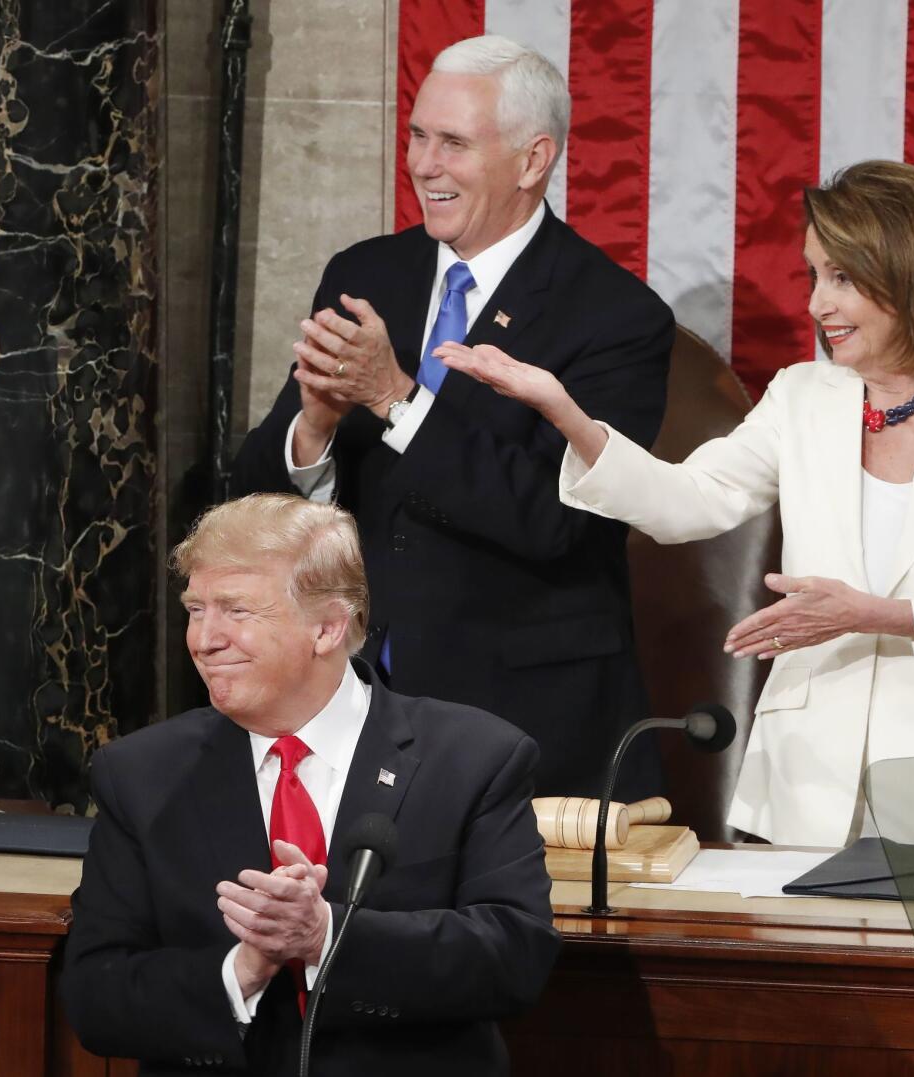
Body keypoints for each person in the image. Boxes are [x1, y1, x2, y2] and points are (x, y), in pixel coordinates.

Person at [435, 160, 914, 848]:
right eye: (815, 276)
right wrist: (565, 412)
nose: (817, 305)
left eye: (842, 277)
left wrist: (877, 615)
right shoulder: (803, 396)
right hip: (811, 788)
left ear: (911, 273)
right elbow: (688, 501)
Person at [229, 35, 673, 803]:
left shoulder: (617, 318)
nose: (425, 165)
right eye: (417, 137)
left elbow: (554, 519)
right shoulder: (366, 274)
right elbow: (256, 497)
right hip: (352, 697)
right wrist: (314, 429)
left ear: (534, 161)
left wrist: (397, 400)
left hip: (524, 719)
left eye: (454, 143)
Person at [60, 494, 561, 1077]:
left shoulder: (474, 759)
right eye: (195, 610)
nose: (205, 639)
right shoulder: (141, 775)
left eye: (236, 611)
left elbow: (514, 958)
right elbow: (96, 995)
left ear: (327, 627)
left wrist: (326, 936)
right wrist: (243, 969)